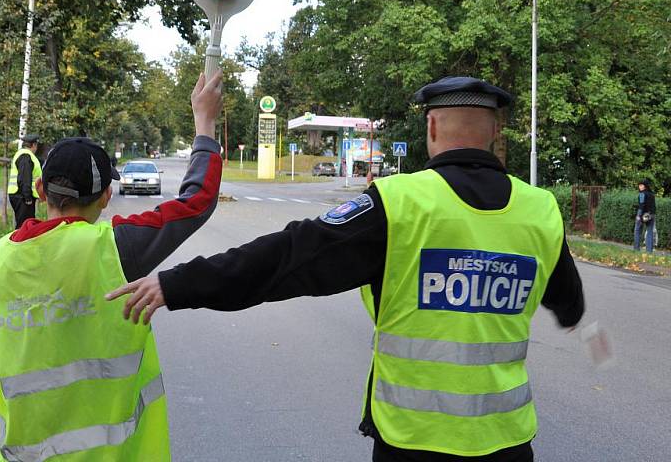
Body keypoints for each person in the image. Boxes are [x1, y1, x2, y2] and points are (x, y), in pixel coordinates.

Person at [108, 77, 585, 462]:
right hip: (509, 444)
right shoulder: (540, 210)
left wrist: (176, 283)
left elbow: (289, 257)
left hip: (414, 443)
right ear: (495, 133)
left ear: (433, 128)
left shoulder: (401, 203)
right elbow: (569, 305)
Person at [0, 71, 224, 461]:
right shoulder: (116, 248)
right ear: (106, 196)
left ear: (41, 192)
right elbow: (196, 203)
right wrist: (204, 125)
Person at [8, 134, 42, 229]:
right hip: (22, 196)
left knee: (24, 225)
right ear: (34, 145)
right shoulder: (26, 156)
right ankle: (18, 243)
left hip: (20, 195)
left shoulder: (23, 155)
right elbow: (24, 177)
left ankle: (20, 242)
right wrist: (27, 198)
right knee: (24, 227)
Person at [633, 179, 656, 253]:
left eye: (641, 185)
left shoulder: (642, 194)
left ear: (645, 186)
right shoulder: (652, 194)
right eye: (639, 185)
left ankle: (636, 249)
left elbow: (641, 205)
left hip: (643, 215)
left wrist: (638, 216)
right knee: (650, 232)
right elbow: (654, 206)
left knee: (637, 231)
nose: (640, 187)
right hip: (651, 215)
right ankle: (649, 251)